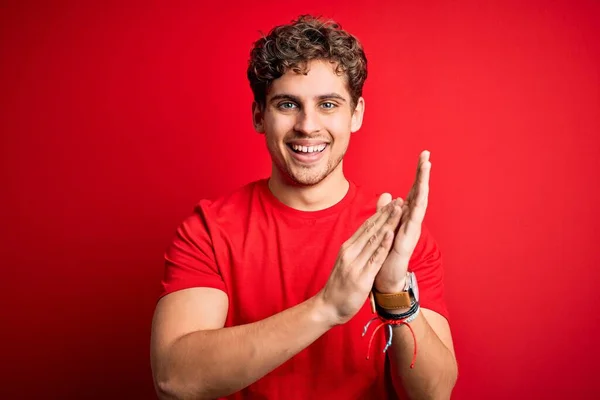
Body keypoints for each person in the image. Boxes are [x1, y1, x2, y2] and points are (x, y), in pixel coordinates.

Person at [150, 14, 458, 400]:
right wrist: (326, 308)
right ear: (259, 115)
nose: (307, 125)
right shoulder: (209, 230)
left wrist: (394, 293)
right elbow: (174, 379)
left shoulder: (397, 237)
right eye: (287, 104)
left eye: (328, 104)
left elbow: (435, 394)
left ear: (356, 114)